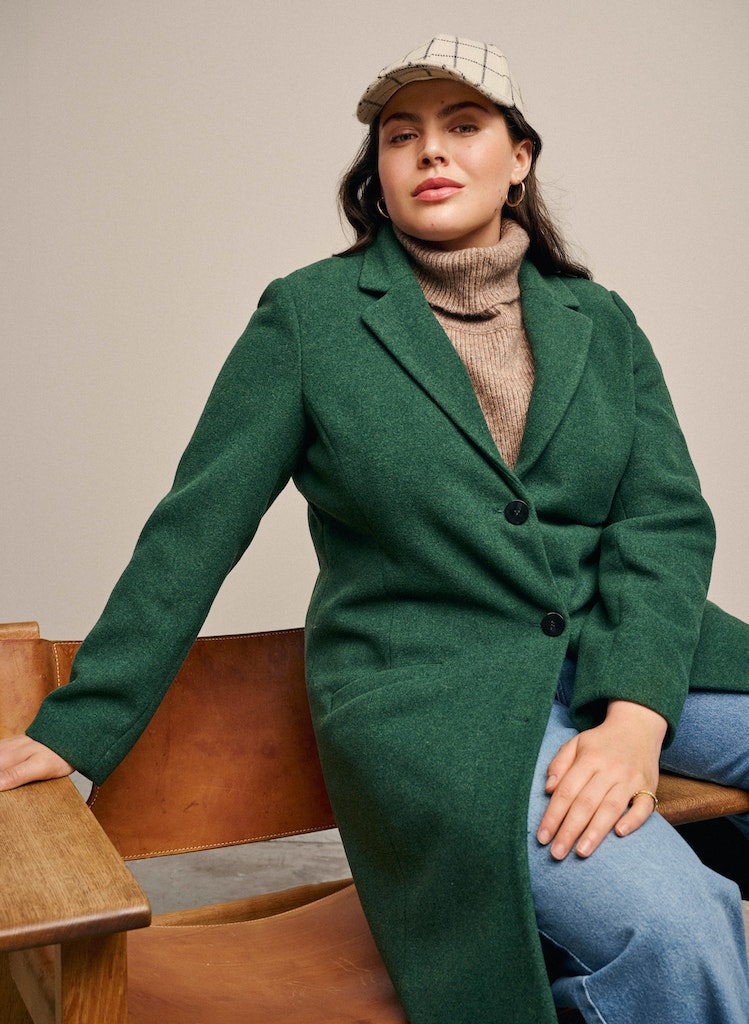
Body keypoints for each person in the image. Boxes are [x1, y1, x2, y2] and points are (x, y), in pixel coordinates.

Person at [1, 34, 748, 1023]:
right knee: (676, 926)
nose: (429, 150)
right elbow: (194, 530)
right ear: (379, 171)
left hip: (624, 649)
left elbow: (662, 517)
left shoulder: (598, 320)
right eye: (401, 135)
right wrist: (79, 729)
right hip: (437, 695)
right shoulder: (309, 319)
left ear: (518, 159)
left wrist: (635, 716)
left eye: (463, 126)